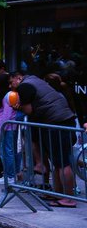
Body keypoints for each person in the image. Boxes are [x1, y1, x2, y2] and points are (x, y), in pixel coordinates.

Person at [15, 76, 80, 207]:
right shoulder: (35, 81)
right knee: (58, 162)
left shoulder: (24, 86)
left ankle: (69, 199)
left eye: (11, 82)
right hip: (60, 121)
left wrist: (18, 107)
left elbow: (28, 110)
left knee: (63, 163)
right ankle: (59, 195)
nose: (11, 86)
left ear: (18, 78)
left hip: (57, 123)